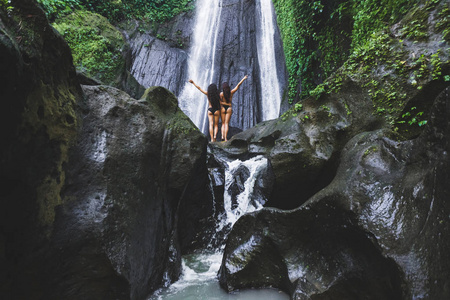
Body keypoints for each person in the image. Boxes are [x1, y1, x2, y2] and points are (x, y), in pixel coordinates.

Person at [220, 75, 248, 141]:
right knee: (226, 123)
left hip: (223, 109)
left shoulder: (221, 94)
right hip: (229, 108)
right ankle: (226, 138)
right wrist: (243, 79)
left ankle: (222, 136)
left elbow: (220, 103)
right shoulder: (231, 92)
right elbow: (238, 85)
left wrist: (224, 103)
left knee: (223, 123)